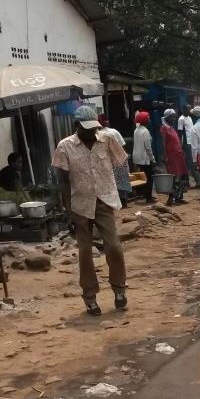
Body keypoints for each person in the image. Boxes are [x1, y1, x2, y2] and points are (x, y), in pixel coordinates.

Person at [52, 105, 129, 316]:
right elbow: (63, 182)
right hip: (80, 205)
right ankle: (90, 297)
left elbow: (120, 164)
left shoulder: (107, 140)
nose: (91, 132)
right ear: (76, 125)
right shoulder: (65, 146)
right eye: (86, 128)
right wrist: (68, 211)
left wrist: (123, 191)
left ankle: (119, 289)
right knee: (85, 253)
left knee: (113, 246)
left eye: (93, 128)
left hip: (104, 199)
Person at [98, 114, 133, 208]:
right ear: (107, 122)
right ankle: (124, 202)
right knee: (122, 181)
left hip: (107, 162)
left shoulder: (97, 134)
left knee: (112, 182)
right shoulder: (113, 131)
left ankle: (114, 203)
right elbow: (122, 145)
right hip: (119, 160)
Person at [160, 109, 189, 205]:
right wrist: (165, 155)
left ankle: (179, 197)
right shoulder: (164, 128)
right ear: (167, 117)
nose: (174, 118)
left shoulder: (171, 128)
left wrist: (182, 151)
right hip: (171, 157)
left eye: (174, 116)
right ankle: (171, 199)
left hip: (178, 156)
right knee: (174, 177)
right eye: (172, 117)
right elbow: (163, 143)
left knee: (181, 176)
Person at [132, 111, 156, 204]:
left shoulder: (136, 130)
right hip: (144, 157)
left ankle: (144, 195)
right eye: (148, 118)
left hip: (137, 157)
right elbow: (148, 147)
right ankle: (149, 197)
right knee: (149, 177)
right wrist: (152, 159)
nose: (149, 120)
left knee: (142, 176)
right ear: (144, 120)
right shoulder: (145, 131)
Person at [178, 106, 200, 188]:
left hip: (193, 142)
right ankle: (198, 181)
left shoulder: (189, 117)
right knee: (191, 162)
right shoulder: (181, 119)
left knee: (189, 162)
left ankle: (186, 182)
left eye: (189, 109)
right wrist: (181, 145)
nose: (189, 111)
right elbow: (180, 133)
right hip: (187, 143)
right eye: (188, 109)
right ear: (184, 110)